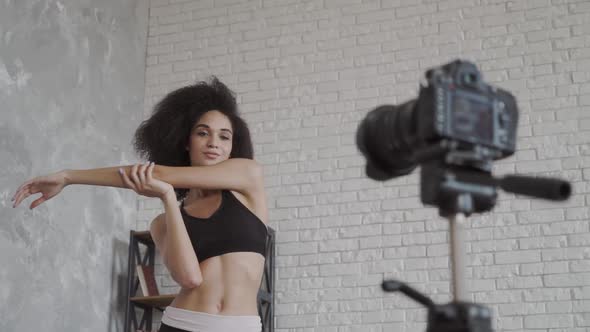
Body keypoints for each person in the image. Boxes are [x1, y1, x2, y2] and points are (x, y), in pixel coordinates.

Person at [11, 77, 269, 332]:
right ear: (185, 142)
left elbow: (158, 174)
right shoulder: (161, 224)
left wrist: (69, 176)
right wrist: (168, 198)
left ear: (233, 146)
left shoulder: (247, 178)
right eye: (203, 132)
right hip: (182, 324)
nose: (214, 142)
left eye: (224, 137)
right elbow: (189, 278)